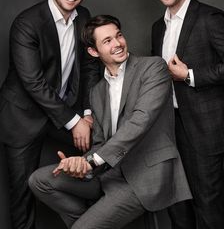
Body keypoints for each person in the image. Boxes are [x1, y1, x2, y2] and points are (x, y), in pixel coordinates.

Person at [29, 14, 192, 229]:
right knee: (39, 180)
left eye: (119, 36)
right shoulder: (97, 92)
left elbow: (139, 122)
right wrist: (80, 164)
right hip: (108, 174)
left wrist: (90, 161)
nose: (117, 44)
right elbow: (99, 144)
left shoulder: (153, 68)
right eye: (107, 41)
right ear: (93, 51)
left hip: (144, 175)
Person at [0, 0, 101, 229]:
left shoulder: (84, 18)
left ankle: (90, 221)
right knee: (21, 193)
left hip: (63, 111)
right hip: (23, 116)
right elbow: (33, 83)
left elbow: (91, 67)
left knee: (102, 152)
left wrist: (88, 115)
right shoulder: (27, 23)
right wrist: (75, 121)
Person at [149, 0, 224, 229]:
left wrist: (189, 75)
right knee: (177, 207)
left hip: (204, 128)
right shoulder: (157, 28)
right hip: (169, 130)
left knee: (209, 209)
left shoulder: (210, 17)